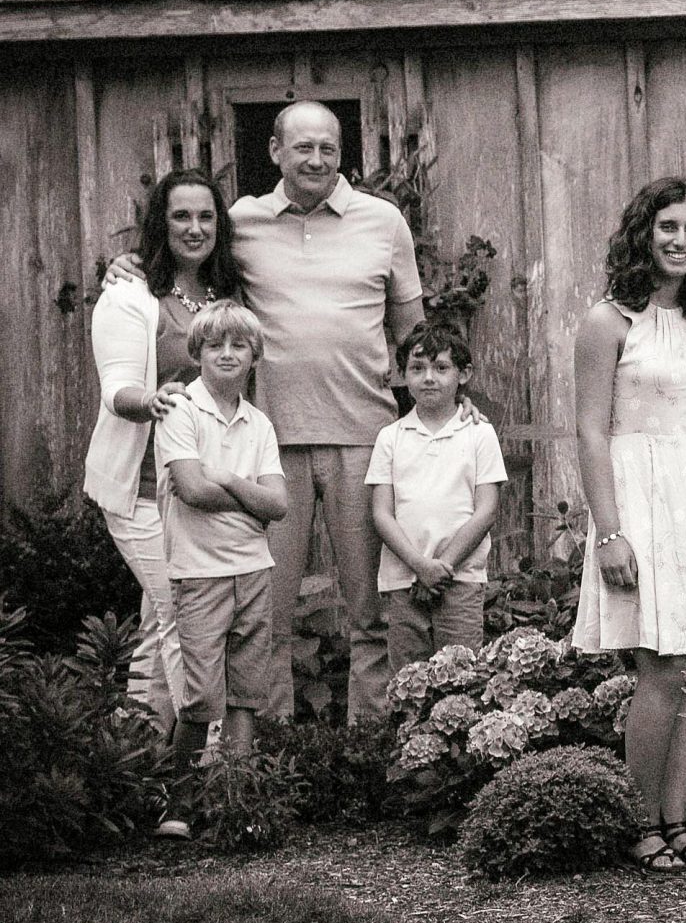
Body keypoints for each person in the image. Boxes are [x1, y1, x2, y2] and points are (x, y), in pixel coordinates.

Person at [107, 100, 427, 724]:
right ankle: (271, 757)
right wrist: (131, 267)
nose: (316, 159)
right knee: (264, 615)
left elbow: (415, 335)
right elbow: (185, 263)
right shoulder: (240, 222)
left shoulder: (384, 222)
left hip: (365, 439)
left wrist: (426, 426)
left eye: (328, 148)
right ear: (276, 152)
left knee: (371, 611)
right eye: (302, 147)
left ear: (343, 154)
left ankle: (373, 748)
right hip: (266, 448)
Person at [570, 177, 686, 872]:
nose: (679, 240)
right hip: (636, 502)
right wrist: (610, 532)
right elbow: (588, 433)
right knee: (661, 669)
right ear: (643, 235)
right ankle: (638, 823)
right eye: (667, 227)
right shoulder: (608, 321)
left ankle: (679, 823)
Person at [86, 168, 245, 738]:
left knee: (159, 626)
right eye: (181, 215)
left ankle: (133, 756)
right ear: (160, 223)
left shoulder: (226, 293)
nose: (195, 227)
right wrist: (150, 400)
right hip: (143, 492)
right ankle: (205, 766)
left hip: (198, 492)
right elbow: (116, 389)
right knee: (185, 619)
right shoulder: (129, 292)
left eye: (206, 216)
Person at [155, 302, 288, 835]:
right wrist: (249, 495)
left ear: (254, 355)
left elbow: (278, 505)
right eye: (215, 345)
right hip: (200, 571)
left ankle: (237, 805)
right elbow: (191, 490)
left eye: (238, 345)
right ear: (198, 353)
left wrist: (231, 482)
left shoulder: (258, 423)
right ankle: (178, 804)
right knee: (202, 697)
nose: (227, 354)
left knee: (246, 694)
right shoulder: (180, 410)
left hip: (254, 569)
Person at [366, 323, 507, 677]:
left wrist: (442, 567)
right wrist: (420, 566)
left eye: (441, 368)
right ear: (403, 375)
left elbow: (486, 509)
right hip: (404, 581)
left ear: (464, 375)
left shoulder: (479, 433)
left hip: (460, 579)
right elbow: (382, 513)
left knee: (461, 681)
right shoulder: (390, 438)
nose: (429, 378)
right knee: (408, 684)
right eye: (418, 368)